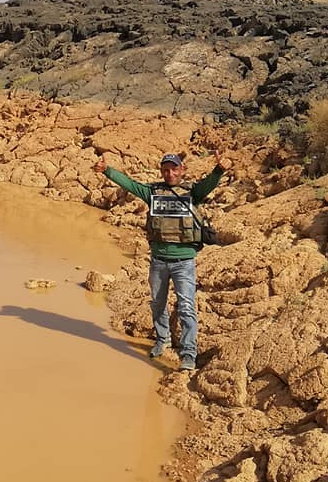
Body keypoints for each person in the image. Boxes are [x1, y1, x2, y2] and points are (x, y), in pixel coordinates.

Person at [92, 150, 228, 372]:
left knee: (186, 307)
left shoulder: (193, 192)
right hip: (158, 262)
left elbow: (209, 184)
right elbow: (129, 184)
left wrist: (220, 169)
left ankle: (188, 353)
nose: (170, 173)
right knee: (157, 303)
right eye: (166, 169)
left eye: (174, 168)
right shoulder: (153, 192)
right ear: (161, 171)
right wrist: (107, 170)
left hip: (184, 262)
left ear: (182, 170)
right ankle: (162, 339)